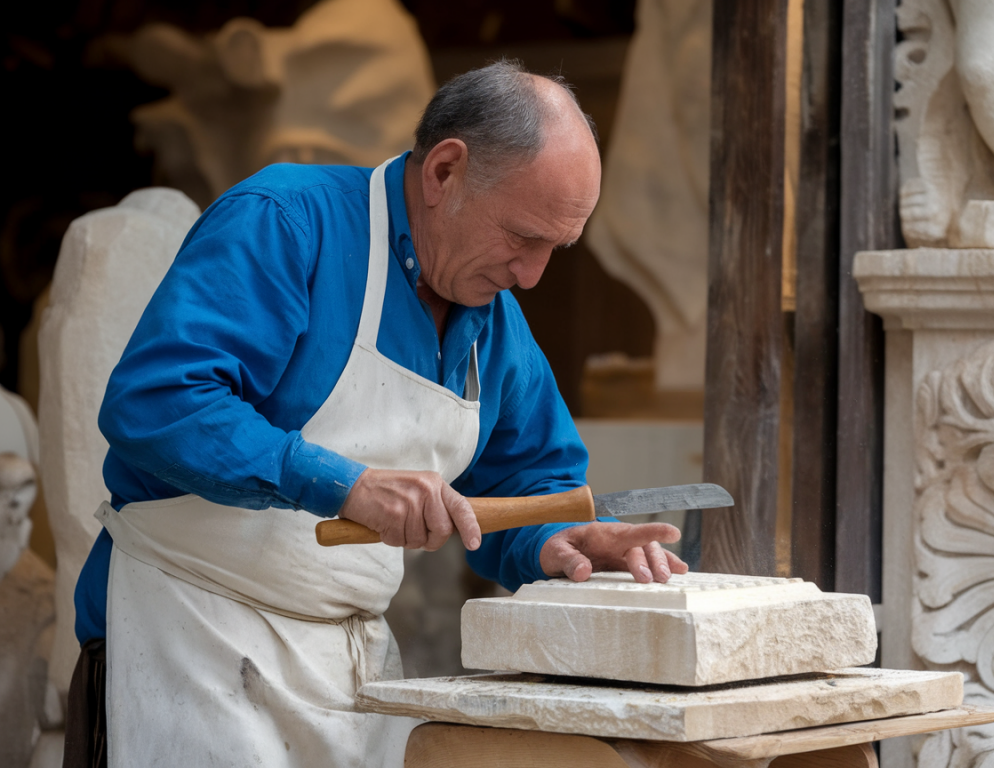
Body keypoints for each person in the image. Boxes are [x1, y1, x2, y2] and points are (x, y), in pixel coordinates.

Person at [64, 61, 688, 768]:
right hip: (186, 637)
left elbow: (532, 488)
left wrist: (559, 542)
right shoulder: (287, 224)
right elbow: (158, 401)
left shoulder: (497, 329)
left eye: (556, 250)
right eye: (522, 237)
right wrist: (344, 483)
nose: (533, 275)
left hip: (348, 667)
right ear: (445, 171)